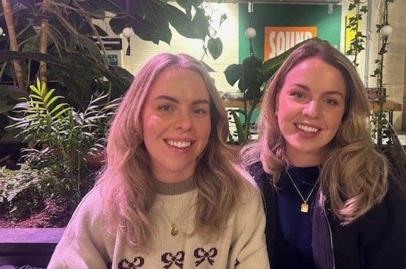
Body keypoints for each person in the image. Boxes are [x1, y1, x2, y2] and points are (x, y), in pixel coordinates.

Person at [48, 53, 269, 269]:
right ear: (137, 116)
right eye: (166, 107)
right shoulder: (104, 205)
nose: (185, 123)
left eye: (199, 110)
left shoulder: (240, 198)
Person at [241, 39, 406, 269]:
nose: (312, 111)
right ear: (276, 101)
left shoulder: (372, 188)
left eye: (330, 101)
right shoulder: (248, 178)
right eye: (298, 94)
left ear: (345, 114)